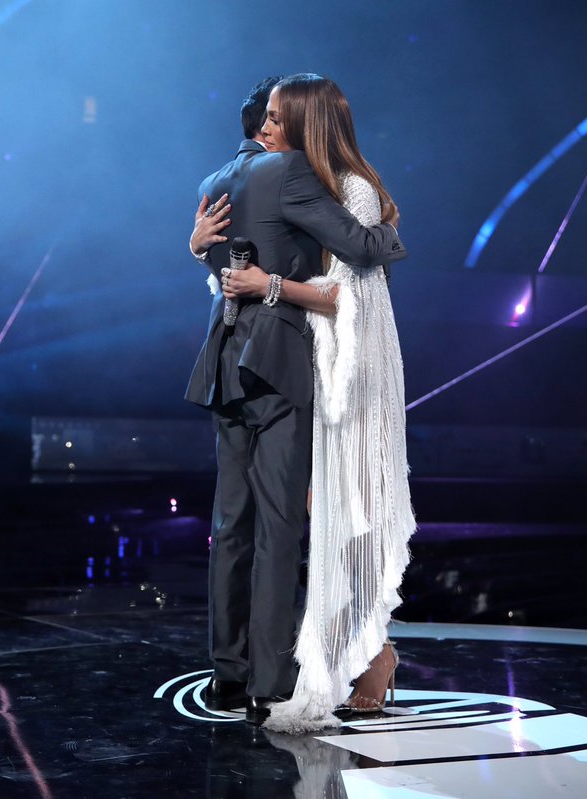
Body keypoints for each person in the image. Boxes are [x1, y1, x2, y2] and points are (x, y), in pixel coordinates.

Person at [185, 77, 406, 726]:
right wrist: (390, 231)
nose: (282, 125)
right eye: (279, 115)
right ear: (272, 127)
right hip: (282, 363)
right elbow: (364, 253)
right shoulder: (290, 174)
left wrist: (198, 250)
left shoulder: (213, 181)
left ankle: (229, 674)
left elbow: (221, 270)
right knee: (282, 526)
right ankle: (270, 679)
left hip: (230, 362)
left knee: (232, 526)